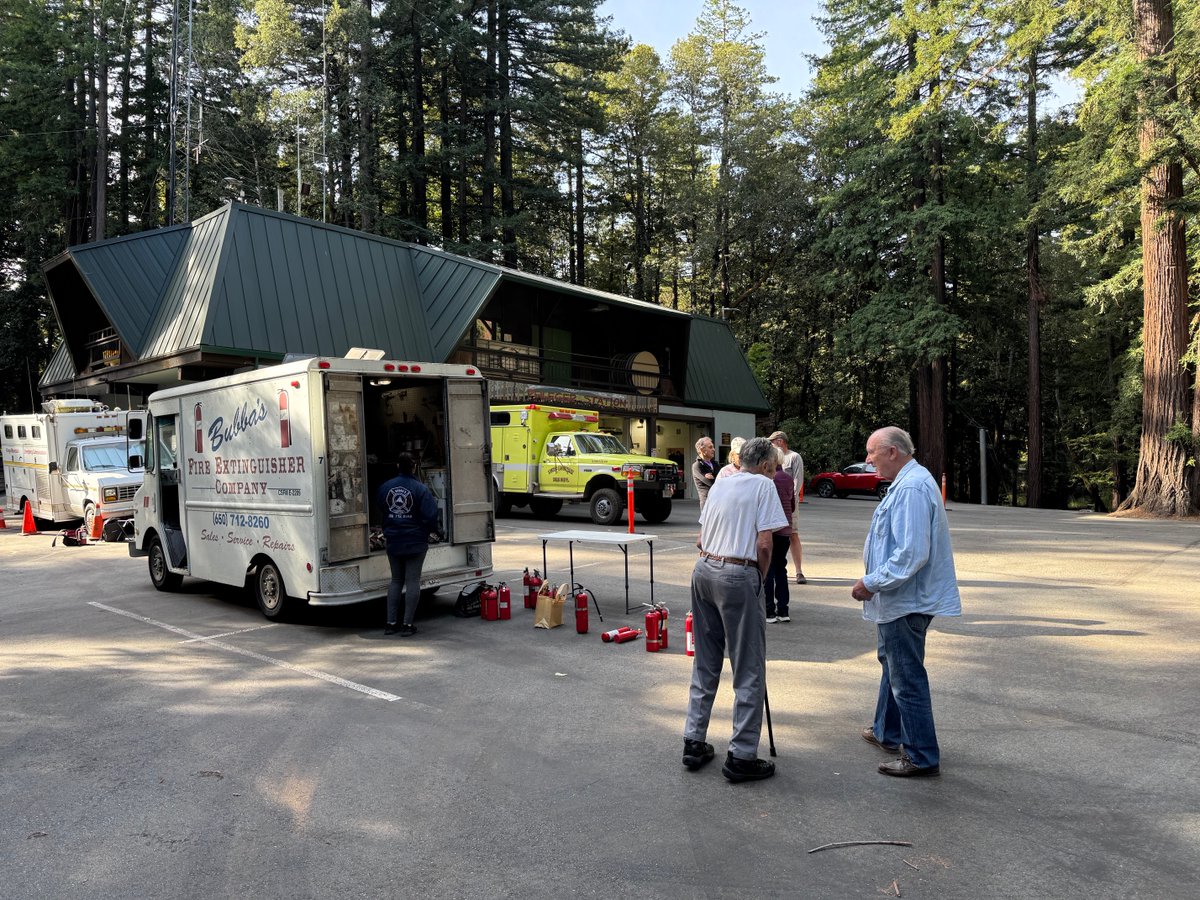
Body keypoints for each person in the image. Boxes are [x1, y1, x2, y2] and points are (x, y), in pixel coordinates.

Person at [851, 426, 961, 777]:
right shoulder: (909, 481)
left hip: (905, 600)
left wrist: (872, 582)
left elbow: (912, 553)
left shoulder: (912, 487)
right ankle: (887, 731)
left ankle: (921, 756)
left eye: (872, 453)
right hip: (902, 600)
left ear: (892, 452)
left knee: (906, 677)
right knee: (893, 665)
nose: (868, 460)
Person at [682, 436, 789, 783]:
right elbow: (764, 543)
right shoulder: (763, 486)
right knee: (748, 665)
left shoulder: (721, 484)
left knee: (706, 660)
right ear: (764, 465)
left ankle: (694, 740)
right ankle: (742, 755)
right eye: (773, 468)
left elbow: (700, 539)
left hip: (704, 569)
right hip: (737, 573)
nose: (773, 474)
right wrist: (756, 579)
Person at [376, 453, 440, 637]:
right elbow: (430, 516)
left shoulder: (385, 487)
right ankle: (407, 625)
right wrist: (435, 530)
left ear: (398, 466)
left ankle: (390, 623)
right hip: (415, 542)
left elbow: (381, 505)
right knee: (412, 581)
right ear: (413, 467)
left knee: (396, 580)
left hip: (394, 541)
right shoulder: (420, 489)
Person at [768, 430, 806, 584]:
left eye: (772, 441)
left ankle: (799, 571)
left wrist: (792, 500)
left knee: (793, 534)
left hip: (789, 503)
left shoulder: (794, 457)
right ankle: (773, 568)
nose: (770, 444)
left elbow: (797, 480)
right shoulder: (772, 458)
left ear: (780, 441)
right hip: (775, 503)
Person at [763, 447, 795, 623]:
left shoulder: (769, 479)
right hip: (786, 530)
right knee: (781, 568)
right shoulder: (788, 479)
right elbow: (793, 504)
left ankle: (769, 610)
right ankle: (783, 609)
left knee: (768, 570)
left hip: (771, 528)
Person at [691, 436, 718, 509]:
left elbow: (723, 478)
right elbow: (710, 482)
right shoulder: (697, 465)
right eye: (710, 447)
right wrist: (717, 478)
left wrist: (715, 477)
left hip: (718, 501)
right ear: (702, 450)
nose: (713, 449)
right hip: (707, 503)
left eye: (713, 447)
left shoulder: (715, 463)